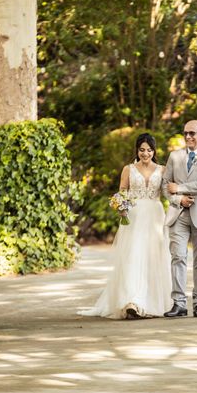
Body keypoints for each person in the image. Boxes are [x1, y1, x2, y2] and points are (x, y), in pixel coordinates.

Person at [78, 133, 172, 319]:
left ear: (154, 151)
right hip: (134, 217)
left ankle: (152, 301)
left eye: (149, 150)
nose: (146, 154)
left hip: (155, 216)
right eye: (142, 150)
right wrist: (121, 207)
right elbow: (122, 192)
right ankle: (132, 302)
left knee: (154, 257)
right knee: (133, 257)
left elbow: (167, 193)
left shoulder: (162, 170)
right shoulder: (129, 169)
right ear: (137, 150)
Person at [161, 120, 197, 318]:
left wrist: (180, 188)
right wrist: (178, 198)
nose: (188, 137)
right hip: (178, 214)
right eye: (185, 133)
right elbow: (164, 185)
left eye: (192, 133)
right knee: (177, 257)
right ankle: (178, 303)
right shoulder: (174, 156)